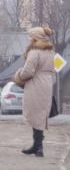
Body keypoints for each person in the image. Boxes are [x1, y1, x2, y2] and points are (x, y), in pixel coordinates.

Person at [13, 26, 56, 157]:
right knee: (40, 114)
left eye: (29, 37)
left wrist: (18, 75)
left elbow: (28, 71)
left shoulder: (34, 51)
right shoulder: (49, 51)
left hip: (35, 84)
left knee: (35, 114)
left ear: (35, 38)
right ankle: (38, 146)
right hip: (47, 83)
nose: (28, 39)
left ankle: (38, 146)